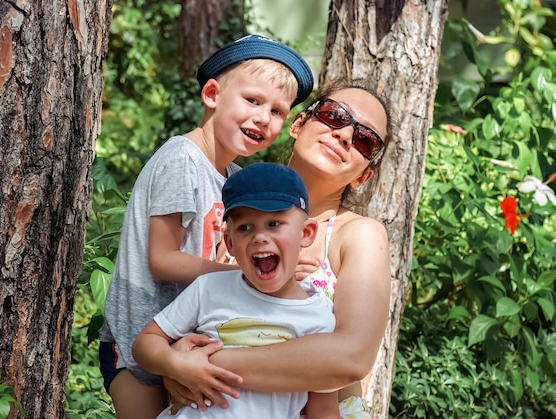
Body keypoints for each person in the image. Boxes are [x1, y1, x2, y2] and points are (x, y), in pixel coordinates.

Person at [98, 34, 314, 419]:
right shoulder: (183, 159)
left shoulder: (232, 179)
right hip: (139, 341)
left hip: (185, 339)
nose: (264, 117)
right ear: (213, 94)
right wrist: (240, 274)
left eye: (278, 111)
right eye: (252, 100)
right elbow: (163, 259)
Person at [159, 80, 393, 418]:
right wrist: (171, 361)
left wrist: (198, 364)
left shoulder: (359, 236)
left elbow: (351, 357)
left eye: (364, 139)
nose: (344, 135)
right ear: (299, 124)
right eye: (334, 116)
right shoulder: (227, 206)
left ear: (363, 176)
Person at [133, 162, 339, 419]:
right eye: (244, 228)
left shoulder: (319, 318)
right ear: (229, 243)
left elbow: (323, 410)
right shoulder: (209, 288)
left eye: (274, 223)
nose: (259, 237)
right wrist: (174, 364)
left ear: (306, 233)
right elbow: (144, 343)